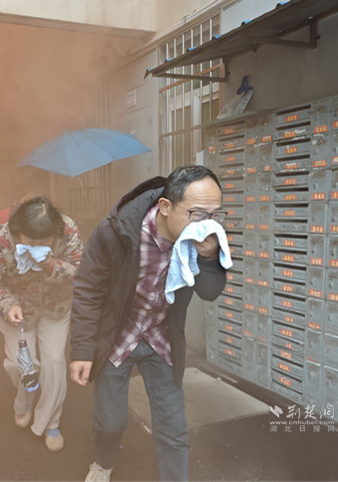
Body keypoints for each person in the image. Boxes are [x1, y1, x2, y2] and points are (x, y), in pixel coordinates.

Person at [70, 165, 228, 481]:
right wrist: (82, 350)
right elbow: (88, 290)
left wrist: (211, 259)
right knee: (110, 423)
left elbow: (209, 291)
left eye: (216, 215)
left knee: (173, 427)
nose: (208, 224)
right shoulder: (116, 232)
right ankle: (104, 460)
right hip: (118, 336)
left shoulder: (203, 239)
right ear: (165, 207)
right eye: (198, 214)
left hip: (161, 338)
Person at [0, 196, 83, 452]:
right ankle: (24, 399)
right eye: (30, 242)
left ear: (55, 233)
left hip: (55, 306)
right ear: (17, 233)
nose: (36, 246)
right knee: (22, 364)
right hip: (19, 310)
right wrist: (8, 305)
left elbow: (79, 268)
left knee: (54, 363)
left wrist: (50, 264)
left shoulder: (68, 230)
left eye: (43, 242)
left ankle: (51, 421)